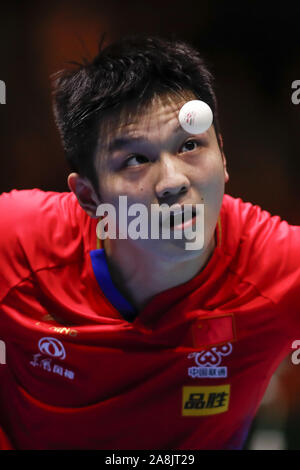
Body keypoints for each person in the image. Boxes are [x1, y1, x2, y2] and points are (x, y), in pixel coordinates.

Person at [0, 34, 299, 450]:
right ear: (89, 196)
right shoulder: (16, 241)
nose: (174, 182)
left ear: (224, 158)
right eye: (136, 160)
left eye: (190, 145)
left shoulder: (279, 268)